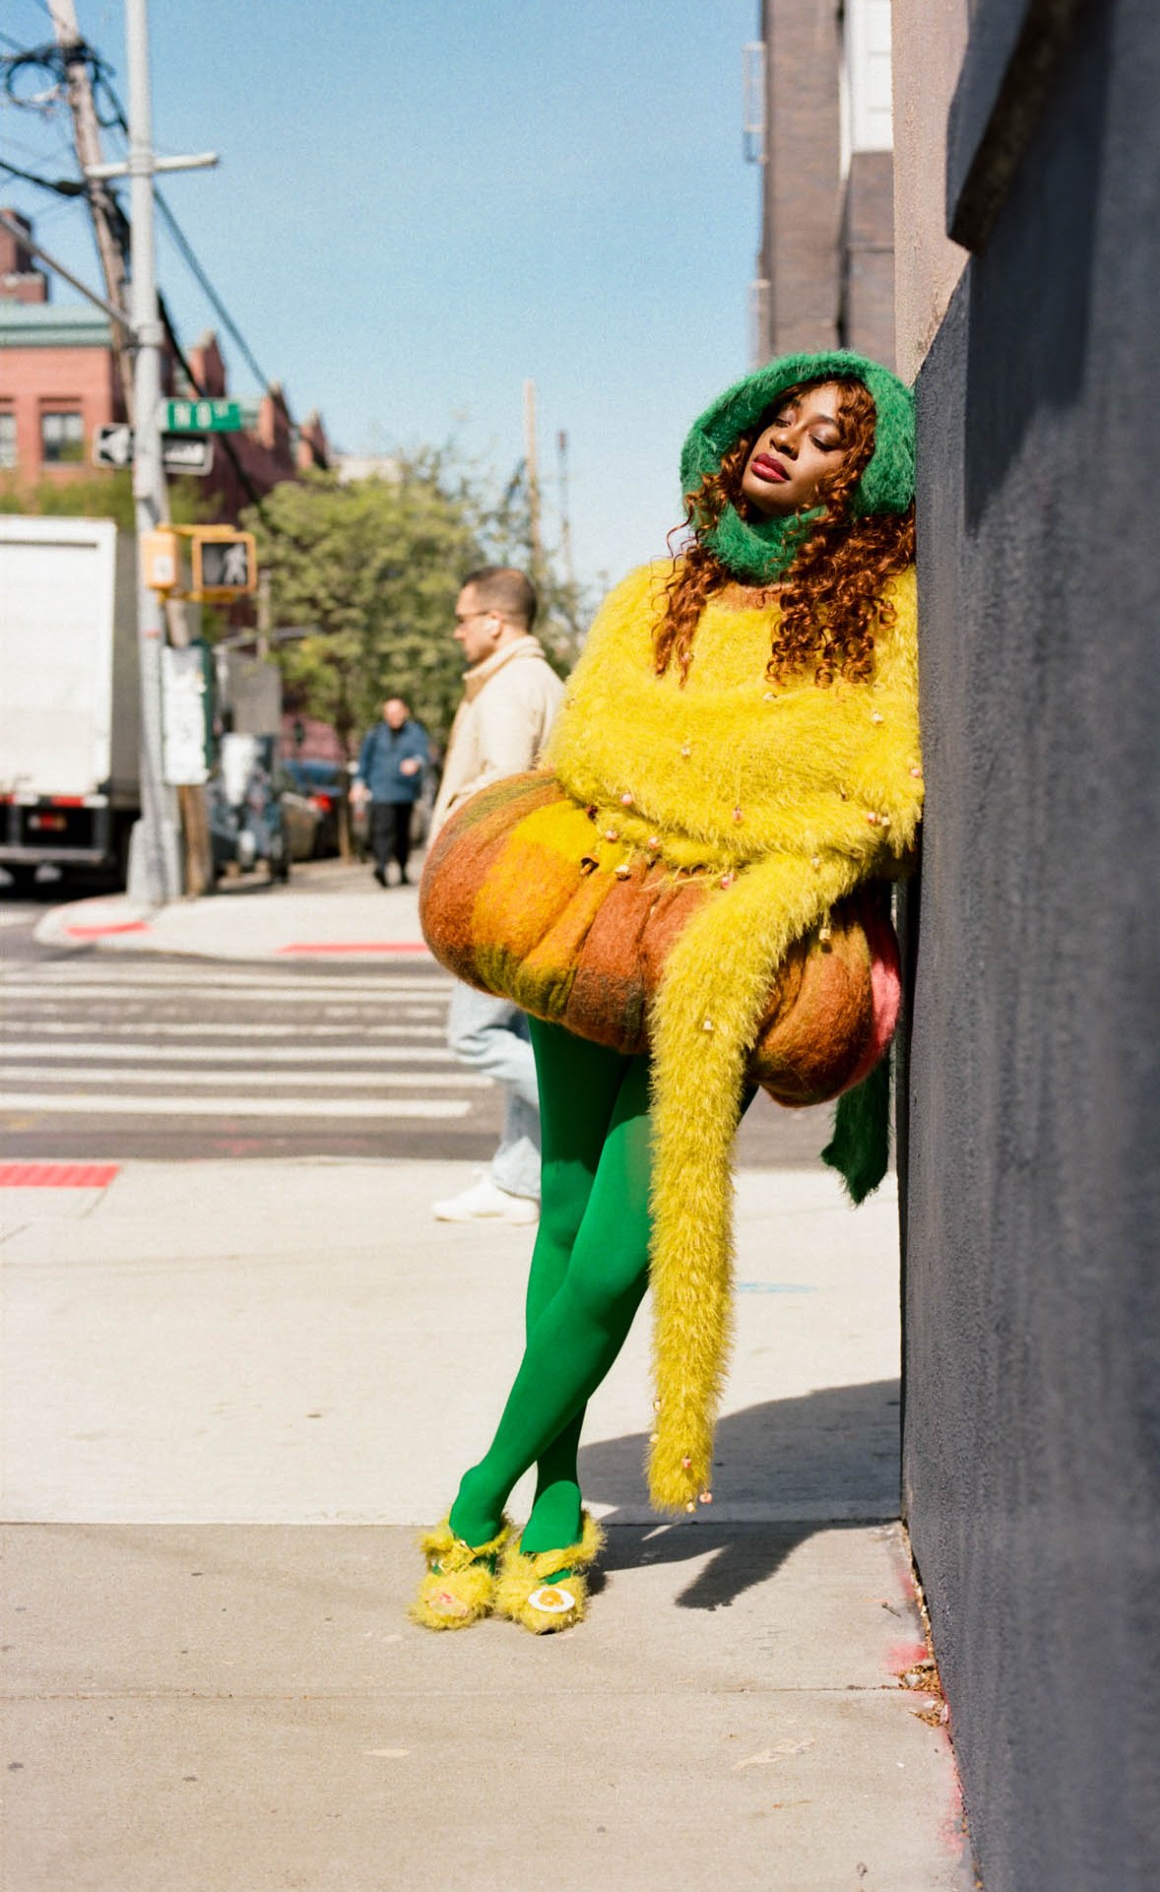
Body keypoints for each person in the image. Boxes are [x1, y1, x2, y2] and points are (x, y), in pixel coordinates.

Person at [408, 351, 920, 1636]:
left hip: (729, 954)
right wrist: (737, 790)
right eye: (779, 424)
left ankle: (474, 1494)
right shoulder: (657, 591)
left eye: (823, 442)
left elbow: (869, 782)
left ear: (860, 483)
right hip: (591, 914)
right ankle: (560, 1498)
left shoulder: (883, 614)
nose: (784, 448)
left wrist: (693, 795)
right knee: (565, 1209)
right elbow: (596, 742)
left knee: (630, 1243)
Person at [429, 566, 566, 1227]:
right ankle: (519, 1182)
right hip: (526, 892)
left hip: (502, 894)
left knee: (475, 1035)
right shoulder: (523, 680)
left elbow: (504, 802)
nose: (455, 631)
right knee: (516, 1034)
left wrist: (471, 895)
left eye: (462, 618)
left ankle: (580, 1118)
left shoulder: (509, 689)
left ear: (495, 621)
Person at [352, 698, 432, 886]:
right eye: (389, 714)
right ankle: (381, 867)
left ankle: (403, 868)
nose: (393, 717)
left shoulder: (415, 732)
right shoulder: (376, 734)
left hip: (405, 792)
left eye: (396, 713)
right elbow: (364, 760)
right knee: (381, 830)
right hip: (380, 790)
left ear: (405, 712)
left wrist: (416, 763)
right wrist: (358, 783)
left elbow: (424, 755)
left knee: (402, 833)